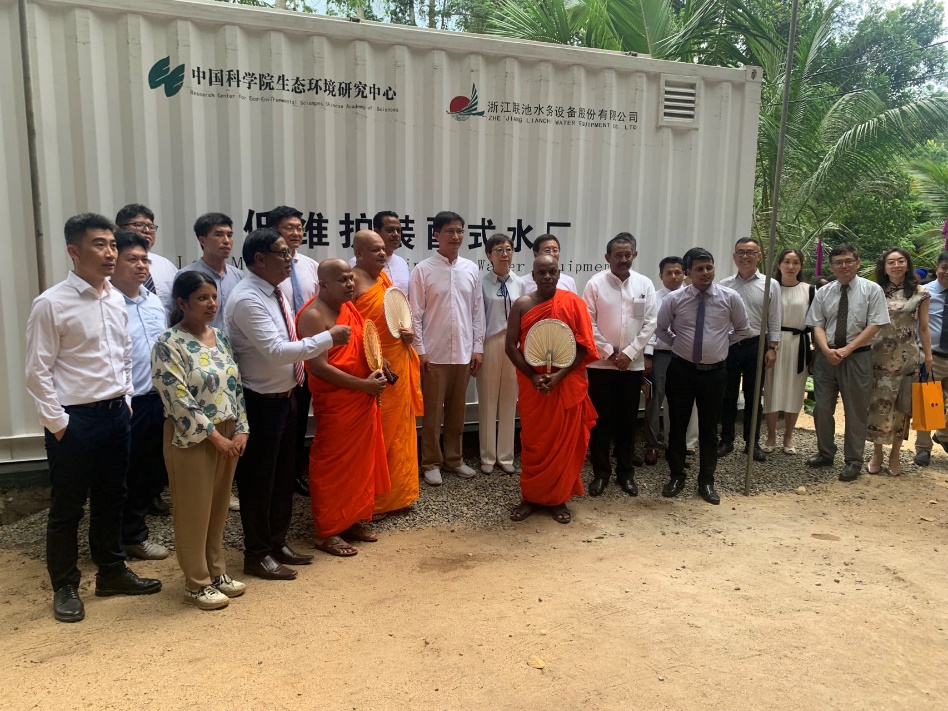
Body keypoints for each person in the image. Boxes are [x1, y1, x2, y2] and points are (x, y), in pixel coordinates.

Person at [25, 213, 161, 623]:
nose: (109, 253)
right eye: (99, 244)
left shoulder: (115, 298)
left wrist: (126, 399)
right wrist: (59, 424)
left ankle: (111, 571)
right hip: (75, 421)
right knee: (68, 507)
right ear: (74, 250)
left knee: (112, 498)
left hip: (117, 414)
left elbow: (123, 353)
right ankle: (65, 585)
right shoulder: (52, 303)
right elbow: (37, 371)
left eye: (112, 245)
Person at [225, 228, 350, 580]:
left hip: (286, 397)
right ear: (259, 259)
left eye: (289, 253)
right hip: (260, 402)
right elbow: (277, 351)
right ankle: (256, 553)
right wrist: (328, 337)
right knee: (258, 481)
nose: (290, 259)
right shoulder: (248, 299)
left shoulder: (274, 291)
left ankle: (277, 543)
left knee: (282, 477)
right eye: (282, 253)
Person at [151, 271, 250, 610]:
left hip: (228, 431)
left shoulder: (220, 338)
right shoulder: (168, 343)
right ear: (182, 303)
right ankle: (196, 582)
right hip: (191, 437)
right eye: (202, 298)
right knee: (194, 510)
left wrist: (242, 428)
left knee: (219, 507)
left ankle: (217, 572)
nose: (212, 304)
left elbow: (236, 386)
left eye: (214, 297)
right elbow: (178, 398)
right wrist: (215, 437)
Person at [298, 259, 391, 555]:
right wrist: (363, 385)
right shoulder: (313, 316)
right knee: (332, 463)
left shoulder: (348, 307)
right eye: (342, 280)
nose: (350, 284)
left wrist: (380, 362)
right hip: (338, 402)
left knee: (360, 462)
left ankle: (351, 519)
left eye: (351, 278)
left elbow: (364, 341)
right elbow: (319, 367)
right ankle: (327, 531)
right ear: (323, 284)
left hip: (361, 399)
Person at [506, 255, 597, 524]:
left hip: (564, 383)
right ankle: (531, 497)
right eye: (542, 272)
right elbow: (510, 346)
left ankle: (558, 498)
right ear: (533, 275)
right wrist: (534, 376)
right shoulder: (522, 305)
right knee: (535, 442)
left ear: (559, 274)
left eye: (552, 272)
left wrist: (559, 375)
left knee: (562, 444)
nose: (547, 276)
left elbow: (584, 347)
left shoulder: (573, 303)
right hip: (534, 386)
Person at [656, 248, 751, 505]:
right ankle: (676, 476)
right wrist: (678, 344)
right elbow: (661, 329)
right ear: (688, 272)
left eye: (709, 267)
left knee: (709, 430)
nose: (706, 273)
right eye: (699, 269)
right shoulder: (674, 299)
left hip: (715, 373)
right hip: (681, 371)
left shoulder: (730, 298)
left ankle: (706, 481)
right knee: (677, 426)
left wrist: (720, 344)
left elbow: (743, 329)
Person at [409, 211, 485, 486]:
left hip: (463, 352)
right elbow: (415, 314)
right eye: (450, 231)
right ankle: (431, 462)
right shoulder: (423, 270)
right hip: (434, 353)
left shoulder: (471, 269)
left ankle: (454, 459)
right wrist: (420, 350)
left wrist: (477, 347)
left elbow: (477, 311)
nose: (456, 236)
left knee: (457, 410)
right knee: (432, 412)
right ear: (436, 235)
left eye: (460, 231)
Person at [351, 230, 423, 515]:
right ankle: (374, 500)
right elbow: (351, 327)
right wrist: (374, 358)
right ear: (359, 253)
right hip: (372, 367)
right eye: (375, 249)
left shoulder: (383, 279)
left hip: (398, 361)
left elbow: (396, 317)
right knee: (378, 433)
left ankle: (399, 495)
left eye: (383, 249)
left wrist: (408, 334)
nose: (382, 253)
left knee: (401, 429)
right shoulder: (352, 281)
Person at [805, 244, 889, 482]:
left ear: (858, 263)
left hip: (857, 356)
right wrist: (825, 350)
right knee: (821, 407)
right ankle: (825, 452)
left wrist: (847, 349)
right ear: (831, 266)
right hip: (826, 357)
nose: (844, 266)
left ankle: (853, 460)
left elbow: (875, 324)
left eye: (849, 261)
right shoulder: (824, 292)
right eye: (838, 262)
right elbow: (817, 324)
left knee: (855, 411)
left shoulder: (872, 290)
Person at [110, 231, 170, 561]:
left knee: (151, 469)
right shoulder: (106, 302)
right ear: (113, 262)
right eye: (131, 259)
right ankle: (123, 538)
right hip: (125, 403)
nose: (141, 265)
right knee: (122, 473)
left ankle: (131, 531)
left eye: (144, 259)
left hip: (157, 399)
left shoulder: (152, 301)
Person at [583, 233, 656, 496]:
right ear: (607, 257)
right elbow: (588, 322)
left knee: (627, 422)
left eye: (628, 254)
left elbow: (650, 322)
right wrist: (610, 353)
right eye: (618, 255)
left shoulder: (645, 284)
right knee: (601, 422)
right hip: (601, 366)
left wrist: (630, 353)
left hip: (631, 367)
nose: (623, 259)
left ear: (634, 255)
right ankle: (601, 473)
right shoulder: (595, 284)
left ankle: (626, 474)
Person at [866, 248, 932, 476]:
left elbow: (924, 328)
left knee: (902, 408)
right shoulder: (874, 291)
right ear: (884, 267)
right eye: (891, 262)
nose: (896, 265)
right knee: (876, 406)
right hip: (877, 356)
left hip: (906, 358)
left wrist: (928, 356)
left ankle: (895, 455)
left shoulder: (921, 293)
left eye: (901, 261)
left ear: (907, 264)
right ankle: (877, 454)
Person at [269, 205, 320, 497]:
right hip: (279, 355)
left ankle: (295, 472)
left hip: (310, 354)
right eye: (289, 227)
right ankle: (275, 475)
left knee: (300, 417)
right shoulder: (267, 271)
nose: (297, 232)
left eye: (300, 228)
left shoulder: (310, 266)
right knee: (278, 420)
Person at [718, 237, 782, 463]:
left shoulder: (770, 284)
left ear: (759, 256)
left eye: (750, 252)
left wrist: (772, 347)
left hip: (757, 345)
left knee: (754, 396)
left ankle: (752, 442)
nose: (745, 256)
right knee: (728, 395)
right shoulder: (724, 285)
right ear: (734, 256)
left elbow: (775, 317)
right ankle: (726, 440)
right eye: (741, 252)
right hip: (730, 346)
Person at [643, 257, 699, 464]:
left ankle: (676, 444)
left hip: (685, 356)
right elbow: (649, 327)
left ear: (684, 274)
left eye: (678, 272)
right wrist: (648, 355)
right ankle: (653, 444)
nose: (674, 276)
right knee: (655, 399)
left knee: (680, 401)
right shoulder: (655, 298)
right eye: (669, 273)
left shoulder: (693, 297)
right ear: (661, 276)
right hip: (661, 355)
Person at [477, 233, 523, 475]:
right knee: (487, 398)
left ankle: (505, 456)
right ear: (489, 255)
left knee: (509, 399)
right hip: (490, 343)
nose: (505, 254)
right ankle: (487, 456)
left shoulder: (521, 284)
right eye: (499, 250)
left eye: (508, 249)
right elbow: (477, 318)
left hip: (513, 345)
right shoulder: (481, 283)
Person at [763, 249, 813, 454]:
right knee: (772, 389)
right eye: (786, 262)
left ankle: (788, 436)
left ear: (801, 266)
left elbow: (816, 321)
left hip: (799, 344)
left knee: (795, 390)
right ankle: (771, 435)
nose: (791, 266)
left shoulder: (810, 290)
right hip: (774, 344)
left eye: (795, 262)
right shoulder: (770, 289)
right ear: (779, 265)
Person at [176, 213, 244, 332]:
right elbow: (178, 317)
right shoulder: (186, 275)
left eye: (229, 235)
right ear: (202, 241)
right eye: (219, 235)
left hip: (234, 343)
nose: (226, 241)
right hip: (198, 341)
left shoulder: (239, 276)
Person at [914, 252, 948, 466]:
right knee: (928, 402)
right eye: (944, 267)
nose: (947, 272)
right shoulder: (923, 292)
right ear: (937, 269)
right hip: (931, 355)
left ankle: (943, 435)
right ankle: (923, 449)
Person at [116, 203, 178, 314]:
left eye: (151, 226)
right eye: (139, 225)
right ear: (120, 230)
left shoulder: (166, 266)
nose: (147, 230)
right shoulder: (110, 265)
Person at [375, 210, 411, 296]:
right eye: (390, 230)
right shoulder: (361, 263)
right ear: (376, 232)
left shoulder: (402, 263)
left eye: (398, 230)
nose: (396, 234)